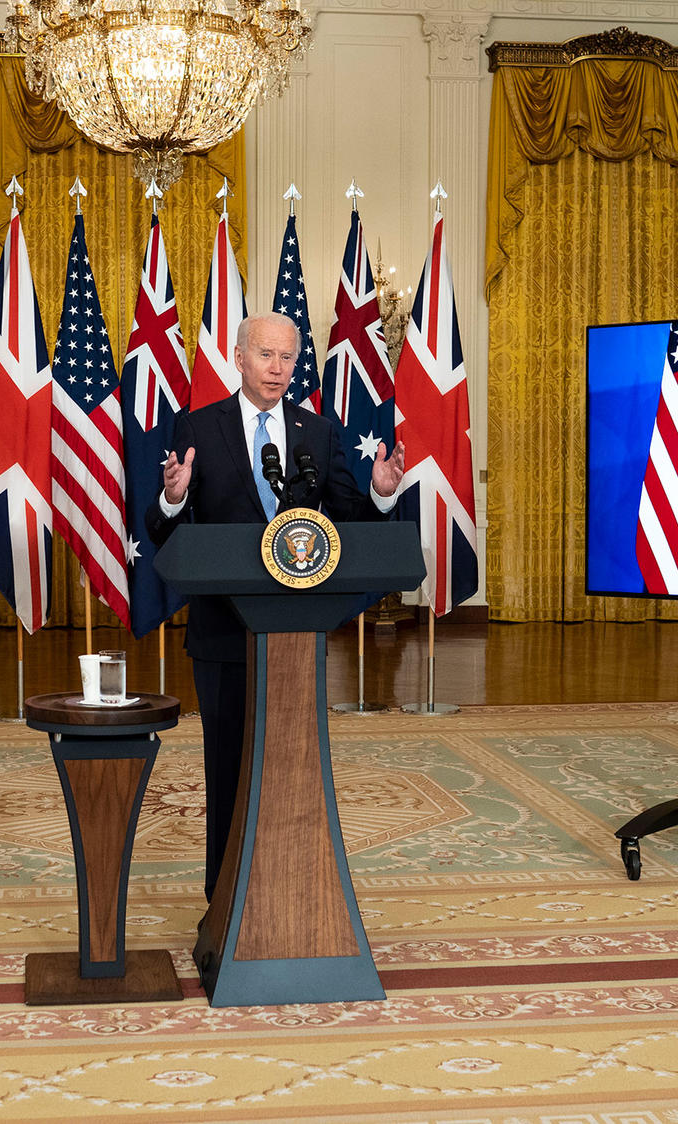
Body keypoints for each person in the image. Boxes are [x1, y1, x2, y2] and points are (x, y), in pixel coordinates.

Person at [146, 311, 407, 901]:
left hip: (297, 631)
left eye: (288, 357)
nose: (278, 368)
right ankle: (226, 901)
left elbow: (348, 521)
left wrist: (380, 494)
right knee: (229, 772)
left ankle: (292, 893)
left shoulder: (317, 432)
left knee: (294, 770)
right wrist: (172, 497)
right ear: (239, 357)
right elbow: (164, 531)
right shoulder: (198, 428)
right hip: (222, 634)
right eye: (266, 355)